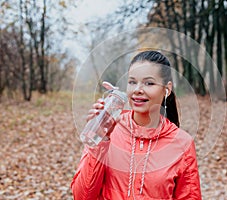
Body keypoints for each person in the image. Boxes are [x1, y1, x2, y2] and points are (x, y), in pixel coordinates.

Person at [71, 50, 202, 199]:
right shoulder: (109, 129)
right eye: (132, 82)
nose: (137, 90)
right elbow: (82, 196)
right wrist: (100, 140)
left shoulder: (182, 143)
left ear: (167, 89)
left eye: (149, 83)